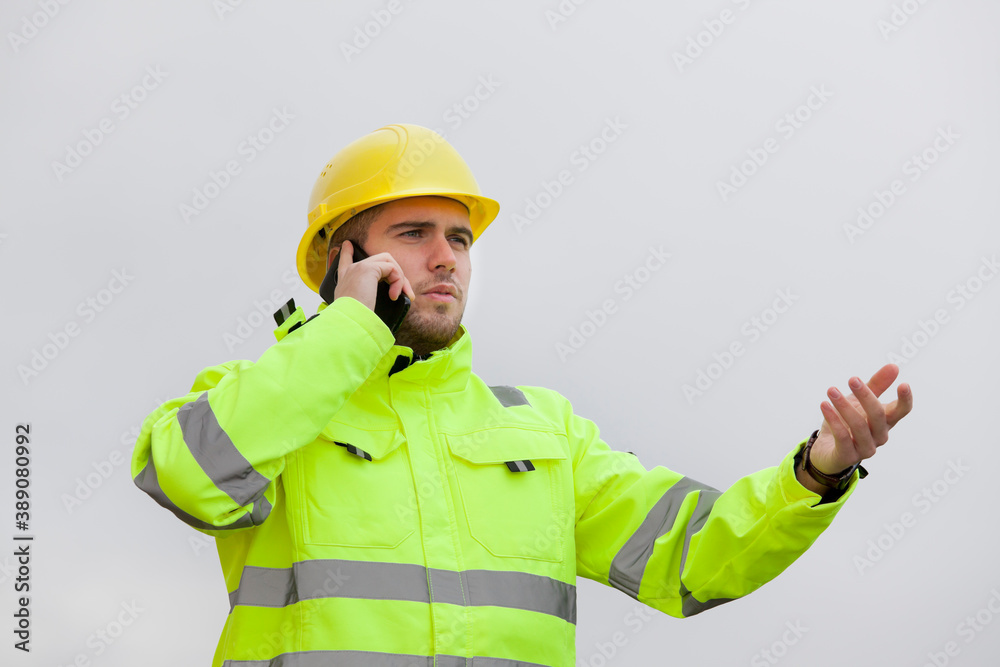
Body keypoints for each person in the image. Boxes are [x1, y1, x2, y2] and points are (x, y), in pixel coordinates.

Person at [131, 123, 913, 667]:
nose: (446, 258)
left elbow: (693, 557)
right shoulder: (261, 401)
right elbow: (186, 477)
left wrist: (816, 471)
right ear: (345, 259)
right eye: (415, 233)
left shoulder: (544, 430)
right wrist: (346, 330)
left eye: (460, 237)